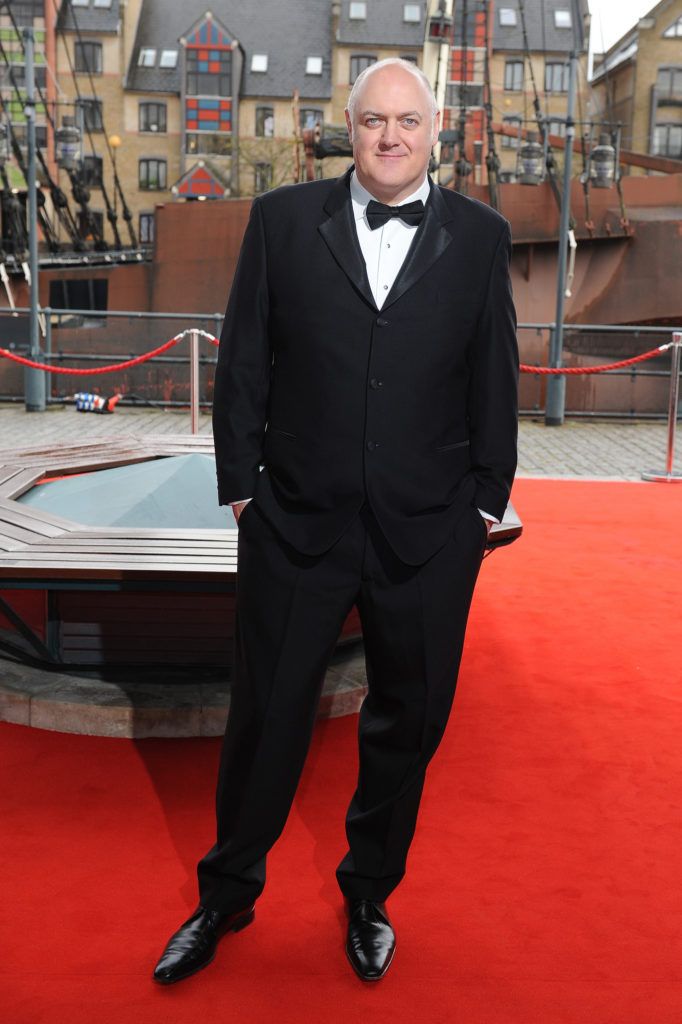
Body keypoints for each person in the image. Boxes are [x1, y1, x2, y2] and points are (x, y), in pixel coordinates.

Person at [153, 57, 518, 986]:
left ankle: (368, 891)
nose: (389, 137)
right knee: (267, 716)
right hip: (296, 525)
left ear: (436, 132)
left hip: (429, 533)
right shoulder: (282, 222)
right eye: (371, 122)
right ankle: (226, 894)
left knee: (409, 723)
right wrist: (245, 491)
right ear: (344, 129)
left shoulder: (482, 237)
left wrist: (480, 508)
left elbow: (493, 382)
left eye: (407, 121)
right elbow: (243, 364)